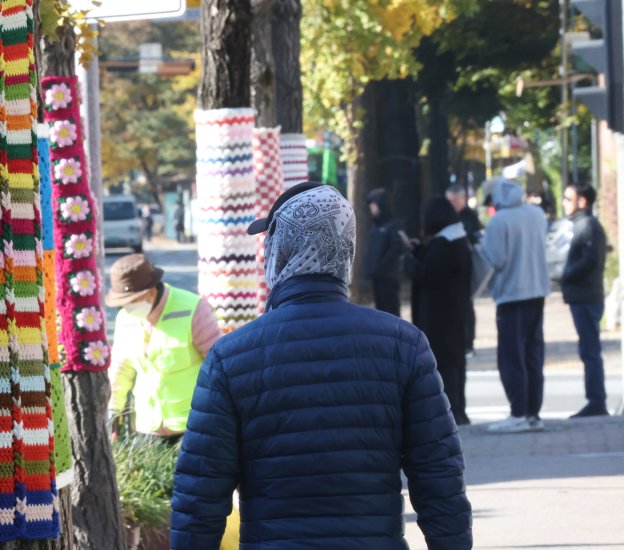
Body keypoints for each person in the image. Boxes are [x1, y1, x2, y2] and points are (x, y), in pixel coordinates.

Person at [171, 182, 473, 548]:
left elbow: (200, 492)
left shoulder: (232, 356)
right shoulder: (402, 344)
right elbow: (438, 475)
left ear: (281, 250)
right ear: (345, 244)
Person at [106, 253, 222, 442]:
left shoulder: (192, 310)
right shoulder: (125, 319)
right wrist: (113, 411)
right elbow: (120, 369)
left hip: (193, 427)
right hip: (147, 428)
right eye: (123, 303)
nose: (126, 308)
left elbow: (218, 367)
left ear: (150, 292)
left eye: (130, 301)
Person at [480, 178, 551, 433]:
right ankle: (533, 413)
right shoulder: (536, 214)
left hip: (512, 294)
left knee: (511, 356)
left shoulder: (500, 221)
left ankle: (518, 412)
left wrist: (480, 245)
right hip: (537, 291)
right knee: (533, 354)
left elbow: (496, 259)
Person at [404, 197, 472, 425]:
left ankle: (452, 410)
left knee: (445, 363)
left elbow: (430, 274)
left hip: (440, 316)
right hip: (453, 312)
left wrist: (411, 264)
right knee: (455, 362)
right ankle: (458, 409)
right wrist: (421, 250)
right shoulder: (454, 239)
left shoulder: (446, 243)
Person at [561, 183, 609, 417]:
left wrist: (566, 275)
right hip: (583, 296)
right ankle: (595, 400)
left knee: (590, 351)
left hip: (586, 296)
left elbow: (591, 260)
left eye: (568, 199)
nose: (564, 203)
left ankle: (597, 401)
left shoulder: (588, 225)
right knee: (588, 350)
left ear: (582, 201)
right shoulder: (583, 225)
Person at [446, 184, 483, 358]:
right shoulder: (446, 216)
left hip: (466, 265)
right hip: (451, 266)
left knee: (467, 305)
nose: (452, 204)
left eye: (454, 200)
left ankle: (469, 342)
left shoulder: (469, 216)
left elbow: (475, 236)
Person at [363, 188, 403, 316]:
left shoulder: (393, 225)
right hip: (377, 276)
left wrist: (382, 265)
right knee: (380, 311)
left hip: (388, 277)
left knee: (391, 311)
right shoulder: (376, 225)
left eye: (373, 205)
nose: (371, 208)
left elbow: (397, 246)